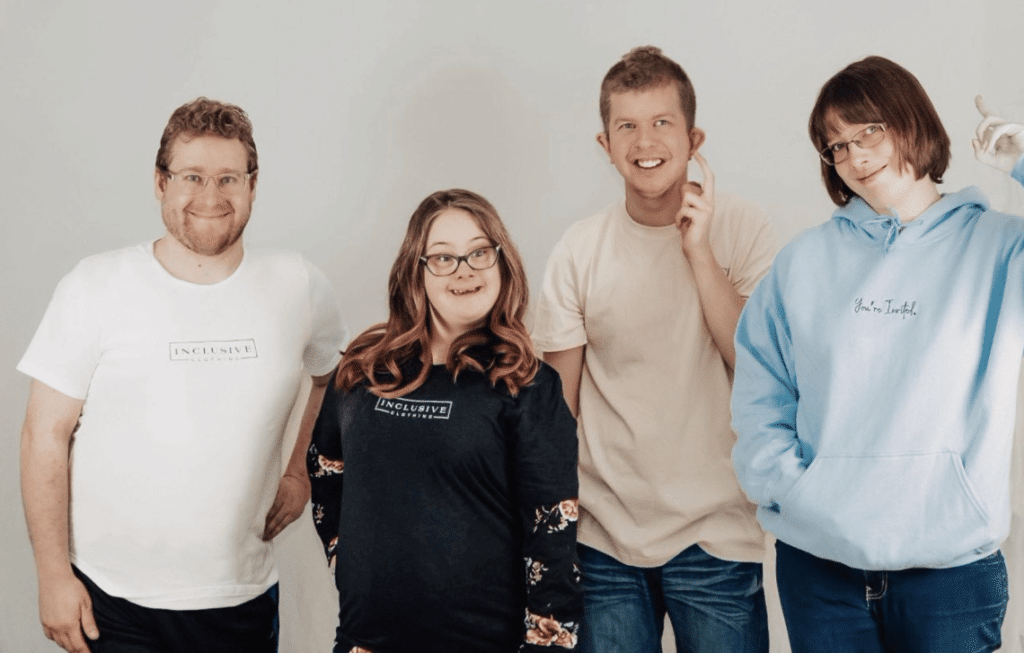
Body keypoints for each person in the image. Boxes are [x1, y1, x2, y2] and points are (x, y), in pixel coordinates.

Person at [18, 97, 346, 653]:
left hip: (241, 598)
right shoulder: (95, 286)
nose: (211, 197)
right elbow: (42, 435)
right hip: (110, 599)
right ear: (160, 181)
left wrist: (299, 472)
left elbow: (329, 378)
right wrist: (53, 577)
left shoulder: (300, 285)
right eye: (192, 176)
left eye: (228, 178)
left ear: (253, 183)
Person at [731, 56, 1015, 653]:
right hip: (821, 569)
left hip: (951, 572)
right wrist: (801, 493)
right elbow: (761, 395)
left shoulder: (1000, 248)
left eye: (869, 132)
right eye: (836, 145)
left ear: (912, 122)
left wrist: (1023, 163)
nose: (856, 158)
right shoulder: (802, 263)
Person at [532, 46, 776, 652]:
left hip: (718, 537)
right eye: (628, 126)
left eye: (662, 122)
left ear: (694, 137)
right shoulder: (579, 249)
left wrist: (697, 251)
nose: (646, 141)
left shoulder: (744, 229)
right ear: (605, 142)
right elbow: (558, 413)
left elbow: (757, 368)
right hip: (604, 539)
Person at [307, 189, 582, 652]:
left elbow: (552, 531)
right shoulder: (363, 369)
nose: (464, 270)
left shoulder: (528, 385)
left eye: (479, 252)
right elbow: (326, 472)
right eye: (443, 258)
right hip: (366, 641)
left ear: (501, 262)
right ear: (416, 271)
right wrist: (347, 559)